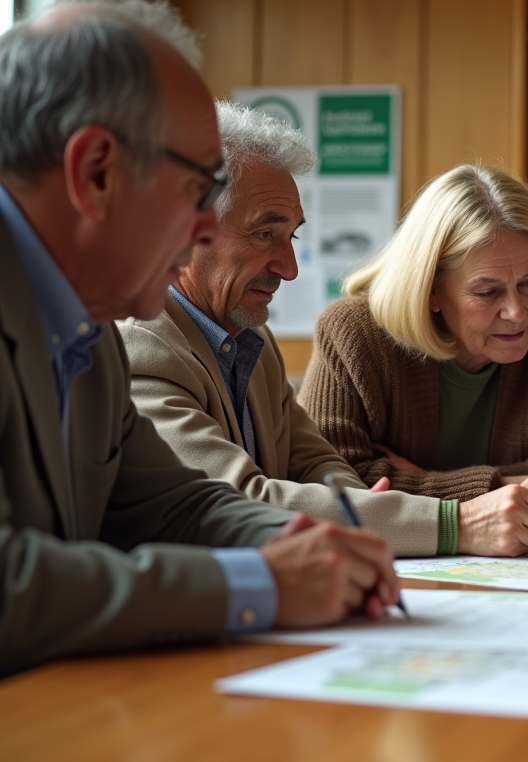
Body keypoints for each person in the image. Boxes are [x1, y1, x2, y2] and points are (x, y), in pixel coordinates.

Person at [0, 0, 399, 678]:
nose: (205, 231)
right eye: (197, 189)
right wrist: (259, 586)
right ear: (95, 172)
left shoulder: (87, 333)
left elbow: (174, 504)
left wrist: (309, 545)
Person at [118, 103, 528, 557]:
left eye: (291, 236)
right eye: (264, 235)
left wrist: (368, 510)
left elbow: (318, 465)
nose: (290, 268)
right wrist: (456, 524)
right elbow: (237, 502)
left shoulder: (250, 339)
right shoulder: (141, 346)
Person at [299, 164, 528, 515]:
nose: (517, 312)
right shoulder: (353, 335)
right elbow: (328, 484)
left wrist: (415, 480)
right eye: (488, 292)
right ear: (431, 291)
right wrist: (501, 489)